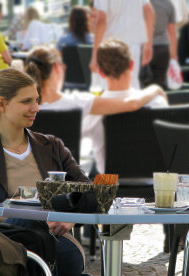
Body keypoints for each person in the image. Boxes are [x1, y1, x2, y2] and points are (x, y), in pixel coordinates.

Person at [0, 68, 87, 276]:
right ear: (1, 104)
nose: (36, 108)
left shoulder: (51, 146)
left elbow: (89, 190)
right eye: (26, 101)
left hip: (58, 246)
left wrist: (70, 218)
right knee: (25, 217)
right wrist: (1, 213)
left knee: (31, 222)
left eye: (37, 100)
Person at [24, 45, 167, 174]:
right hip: (65, 187)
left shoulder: (17, 106)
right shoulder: (78, 102)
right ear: (56, 68)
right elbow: (132, 104)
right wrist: (155, 89)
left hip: (25, 184)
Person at [87, 38, 168, 174]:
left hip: (111, 187)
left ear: (101, 72)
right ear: (131, 65)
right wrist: (155, 89)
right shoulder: (157, 102)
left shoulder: (95, 108)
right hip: (153, 184)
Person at [89, 0, 155, 90]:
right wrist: (148, 44)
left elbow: (101, 21)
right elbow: (149, 11)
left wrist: (95, 55)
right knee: (132, 86)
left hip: (109, 47)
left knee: (106, 89)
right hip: (133, 44)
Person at [141, 0, 177, 89]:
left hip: (143, 47)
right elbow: (172, 31)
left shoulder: (142, 3)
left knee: (141, 82)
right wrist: (173, 55)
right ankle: (156, 102)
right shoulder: (168, 4)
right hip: (163, 47)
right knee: (159, 83)